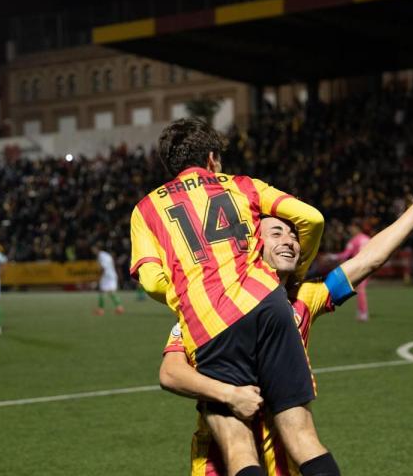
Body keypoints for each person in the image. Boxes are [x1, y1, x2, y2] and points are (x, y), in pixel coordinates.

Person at [161, 170, 413, 475]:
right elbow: (172, 372)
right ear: (252, 246)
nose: (290, 241)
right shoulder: (208, 311)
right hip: (219, 464)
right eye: (277, 233)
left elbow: (367, 260)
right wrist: (227, 394)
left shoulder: (304, 298)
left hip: (286, 463)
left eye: (294, 235)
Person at [130, 118, 333, 476]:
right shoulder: (242, 185)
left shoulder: (146, 209)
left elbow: (150, 280)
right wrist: (297, 272)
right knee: (302, 435)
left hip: (211, 323)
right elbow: (311, 218)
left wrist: (188, 297)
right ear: (211, 158)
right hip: (268, 301)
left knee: (239, 445)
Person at [331, 222, 373, 322]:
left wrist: (333, 257)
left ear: (357, 229)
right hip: (370, 265)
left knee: (360, 290)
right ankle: (361, 311)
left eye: (352, 228)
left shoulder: (354, 240)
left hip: (360, 266)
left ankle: (363, 313)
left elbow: (346, 254)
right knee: (359, 289)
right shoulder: (368, 238)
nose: (350, 230)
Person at [93, 243, 124, 315]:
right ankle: (119, 307)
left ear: (97, 249)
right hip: (111, 275)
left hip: (107, 276)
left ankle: (101, 310)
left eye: (93, 249)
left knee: (104, 292)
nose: (93, 250)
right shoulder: (106, 255)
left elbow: (103, 268)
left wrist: (99, 277)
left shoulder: (101, 255)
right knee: (109, 292)